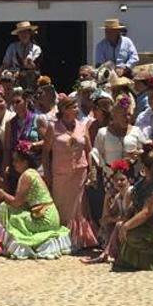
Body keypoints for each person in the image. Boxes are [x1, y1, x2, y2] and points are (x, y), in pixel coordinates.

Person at [0, 144, 72, 259]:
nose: (13, 163)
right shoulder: (34, 172)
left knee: (6, 210)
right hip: (51, 216)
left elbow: (16, 202)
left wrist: (2, 193)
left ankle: (4, 243)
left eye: (16, 160)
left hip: (43, 218)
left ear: (25, 162)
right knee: (12, 210)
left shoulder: (27, 175)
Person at [44, 96, 97, 252]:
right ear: (64, 109)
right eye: (74, 106)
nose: (77, 109)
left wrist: (92, 170)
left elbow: (89, 150)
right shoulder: (53, 127)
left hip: (79, 172)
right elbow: (46, 152)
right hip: (60, 173)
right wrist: (47, 173)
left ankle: (79, 239)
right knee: (62, 205)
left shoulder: (82, 126)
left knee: (79, 206)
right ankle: (62, 239)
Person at [114, 150, 153, 270]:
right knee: (121, 229)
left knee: (131, 234)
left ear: (146, 167)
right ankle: (135, 261)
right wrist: (125, 221)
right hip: (145, 225)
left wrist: (126, 227)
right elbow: (133, 203)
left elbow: (147, 212)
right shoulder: (143, 182)